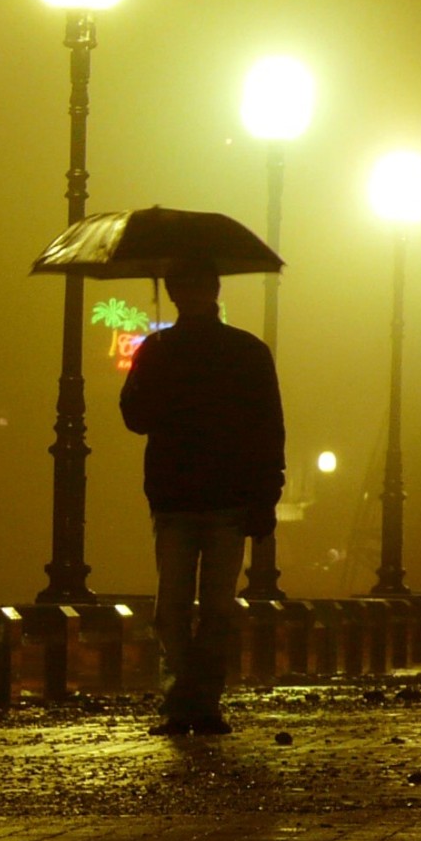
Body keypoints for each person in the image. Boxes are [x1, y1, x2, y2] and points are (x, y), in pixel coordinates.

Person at [119, 258, 284, 735]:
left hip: (177, 494)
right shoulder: (247, 351)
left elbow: (135, 417)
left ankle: (182, 700)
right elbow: (268, 429)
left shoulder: (160, 350)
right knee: (215, 607)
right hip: (222, 496)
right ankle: (202, 702)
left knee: (174, 606)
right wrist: (266, 491)